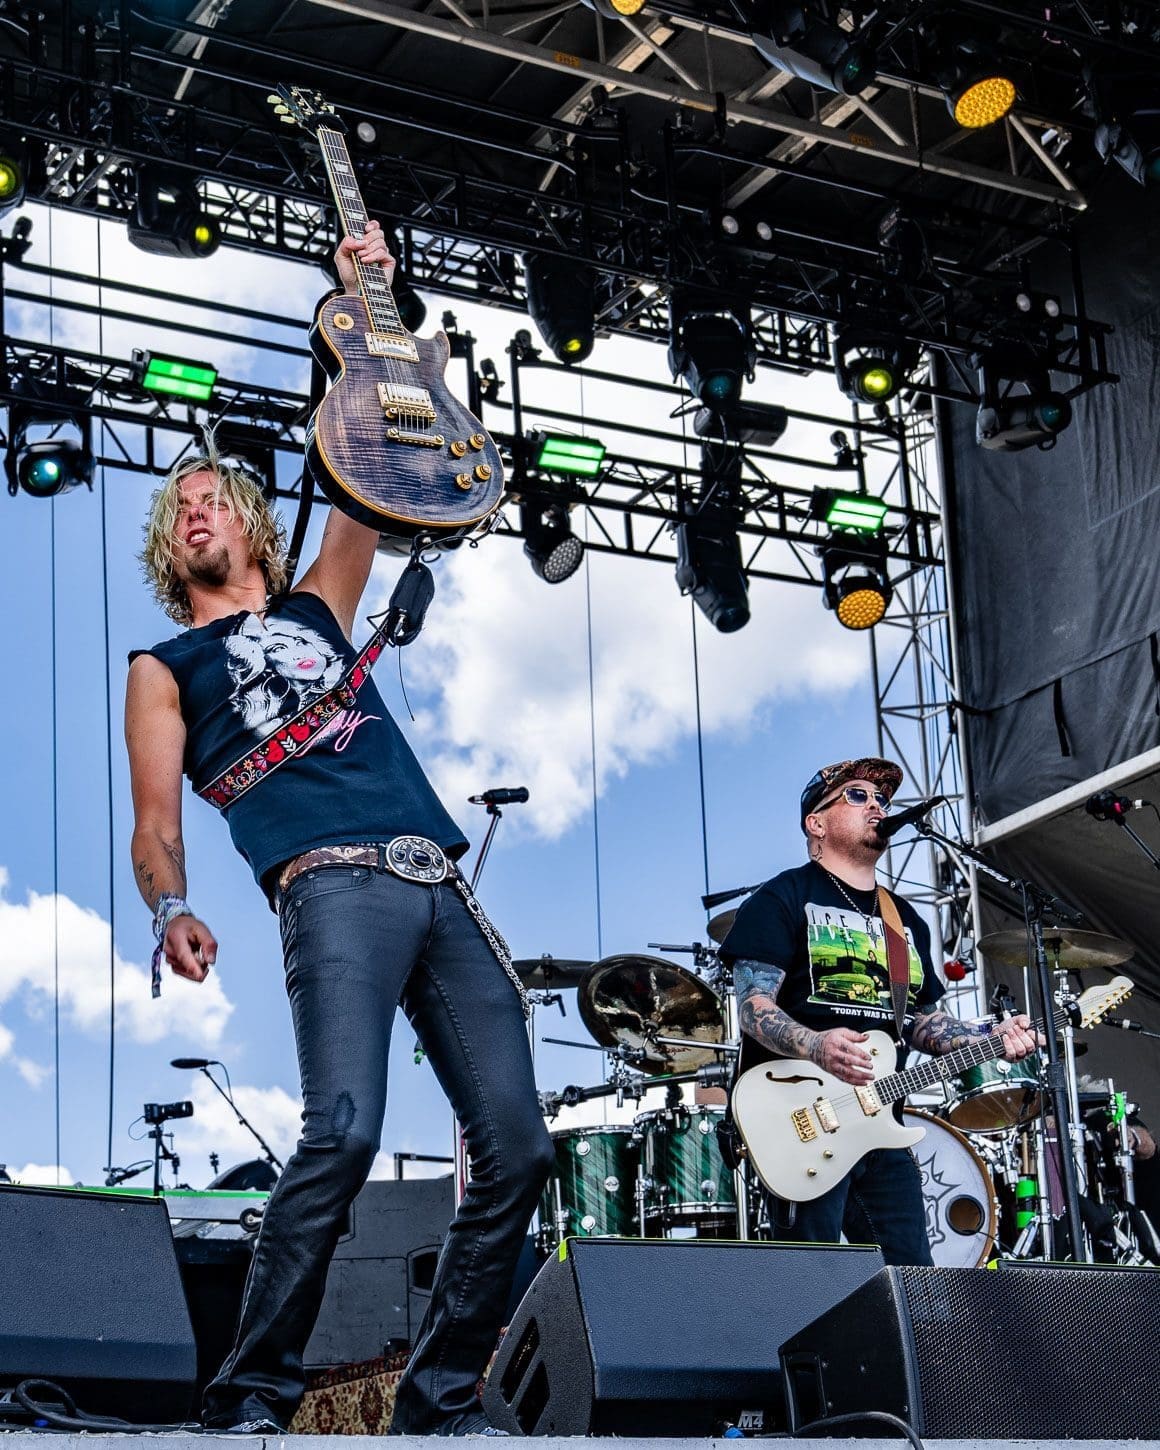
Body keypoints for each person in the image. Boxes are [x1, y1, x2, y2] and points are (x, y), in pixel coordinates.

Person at [125, 219, 553, 1435]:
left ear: (250, 525)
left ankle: (437, 1397)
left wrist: (365, 296)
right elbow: (157, 824)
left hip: (439, 883)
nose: (197, 509)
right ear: (172, 546)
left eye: (215, 497)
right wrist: (171, 903)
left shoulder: (323, 597)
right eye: (181, 507)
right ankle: (253, 1389)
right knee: (345, 1131)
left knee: (516, 1143)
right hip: (330, 887)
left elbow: (364, 461)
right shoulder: (165, 663)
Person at [720, 756, 1038, 1265]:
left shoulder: (903, 919)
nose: (877, 806)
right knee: (812, 1280)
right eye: (857, 796)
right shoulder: (781, 897)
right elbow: (754, 1008)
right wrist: (817, 1045)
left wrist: (992, 1039)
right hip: (799, 1113)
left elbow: (923, 1022)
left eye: (882, 799)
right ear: (816, 824)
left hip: (879, 1121)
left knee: (913, 1276)